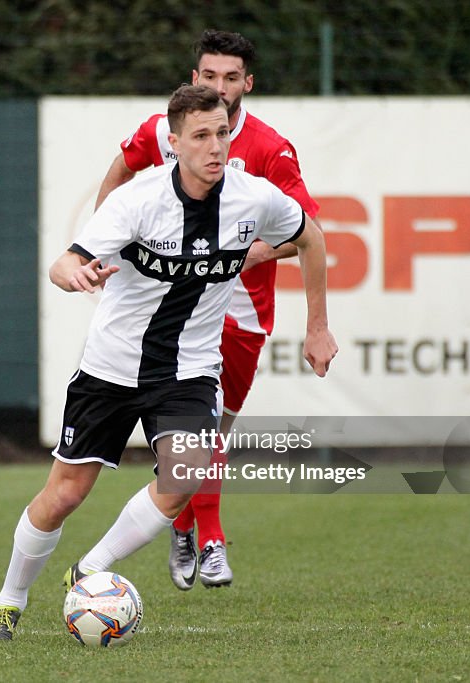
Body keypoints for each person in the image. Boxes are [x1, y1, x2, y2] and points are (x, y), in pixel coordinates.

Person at [0, 85, 336, 640]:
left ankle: (90, 570)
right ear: (173, 144)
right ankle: (8, 603)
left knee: (185, 474)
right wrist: (75, 274)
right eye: (201, 136)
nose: (216, 146)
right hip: (111, 367)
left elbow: (312, 239)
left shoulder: (254, 198)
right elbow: (64, 262)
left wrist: (317, 327)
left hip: (189, 369)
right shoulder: (138, 201)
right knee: (64, 495)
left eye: (222, 133)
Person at [95, 29, 323, 590]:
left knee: (212, 431)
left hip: (243, 310)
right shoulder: (169, 129)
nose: (218, 86)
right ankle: (210, 539)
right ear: (195, 78)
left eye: (230, 77)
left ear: (248, 83)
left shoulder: (270, 149)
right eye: (208, 75)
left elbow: (309, 232)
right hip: (176, 309)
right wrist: (99, 244)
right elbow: (122, 169)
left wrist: (251, 256)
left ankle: (179, 521)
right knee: (196, 440)